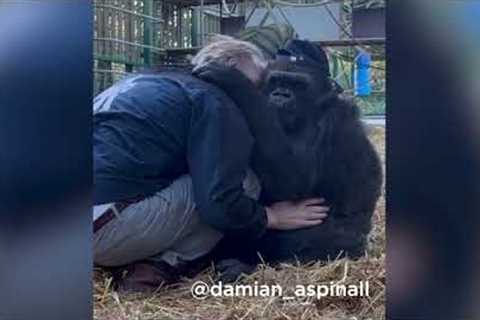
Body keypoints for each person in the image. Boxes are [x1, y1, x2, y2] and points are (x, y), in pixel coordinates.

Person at [93, 37, 330, 292]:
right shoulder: (214, 100)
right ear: (230, 64)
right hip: (103, 232)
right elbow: (219, 203)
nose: (263, 88)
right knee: (242, 182)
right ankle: (156, 268)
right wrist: (271, 217)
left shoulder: (144, 82)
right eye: (260, 77)